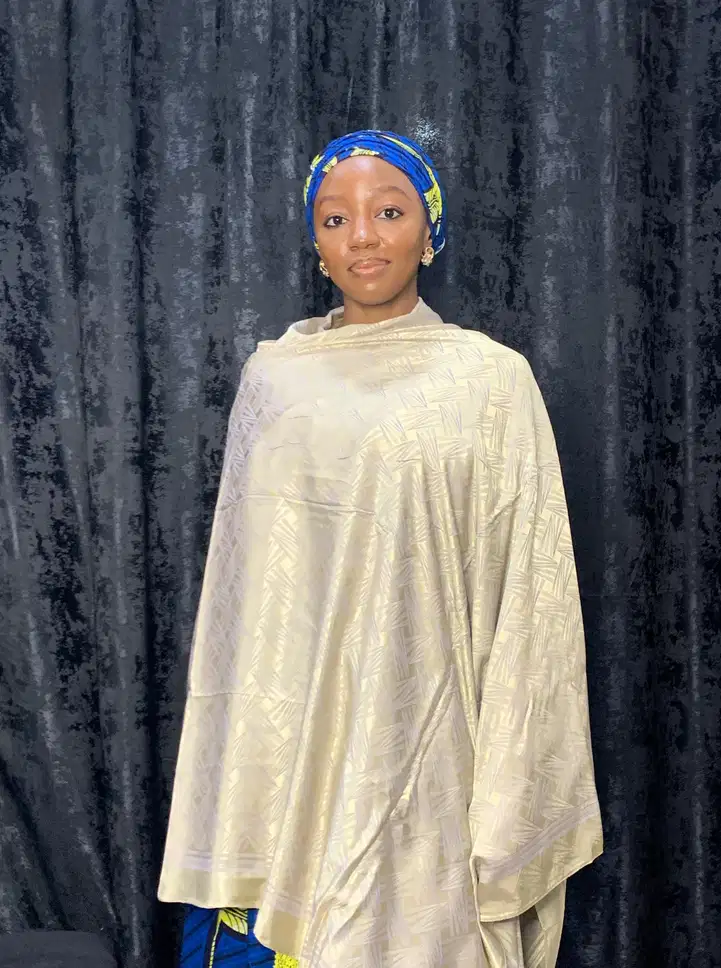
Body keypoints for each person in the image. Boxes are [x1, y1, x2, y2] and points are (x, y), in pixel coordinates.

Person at [159, 130, 603, 968]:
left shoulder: (490, 381)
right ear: (316, 243)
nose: (361, 236)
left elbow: (533, 594)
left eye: (388, 212)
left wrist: (509, 789)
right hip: (286, 751)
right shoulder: (274, 379)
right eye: (336, 219)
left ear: (430, 231)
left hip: (425, 752)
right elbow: (241, 607)